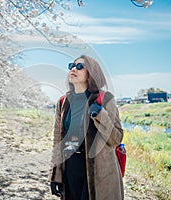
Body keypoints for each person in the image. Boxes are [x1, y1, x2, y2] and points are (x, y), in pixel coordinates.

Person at [48, 55, 124, 200]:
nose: (74, 69)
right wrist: (55, 174)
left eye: (80, 66)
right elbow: (57, 140)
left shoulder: (105, 99)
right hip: (71, 168)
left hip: (99, 172)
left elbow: (116, 138)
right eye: (72, 66)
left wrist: (100, 114)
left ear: (92, 73)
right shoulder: (63, 102)